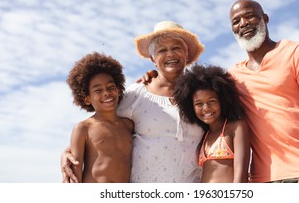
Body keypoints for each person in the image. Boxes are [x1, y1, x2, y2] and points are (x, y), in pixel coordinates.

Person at [61, 21, 205, 183]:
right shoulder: (136, 95)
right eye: (162, 50)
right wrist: (69, 152)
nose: (170, 54)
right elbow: (103, 127)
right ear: (152, 59)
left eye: (176, 48)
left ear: (187, 53)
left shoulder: (202, 95)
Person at [228, 0, 299, 183]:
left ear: (265, 18)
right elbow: (202, 98)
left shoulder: (296, 53)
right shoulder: (233, 76)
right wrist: (158, 79)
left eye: (250, 16)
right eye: (236, 21)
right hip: (261, 180)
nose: (243, 23)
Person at [173, 64, 250, 183]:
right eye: (199, 104)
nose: (206, 108)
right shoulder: (204, 135)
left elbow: (241, 175)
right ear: (190, 107)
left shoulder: (235, 127)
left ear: (223, 100)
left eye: (212, 101)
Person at [65, 52, 133, 183]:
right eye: (98, 90)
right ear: (87, 99)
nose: (106, 93)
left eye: (110, 87)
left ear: (118, 90)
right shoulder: (83, 128)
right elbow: (74, 174)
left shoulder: (129, 125)